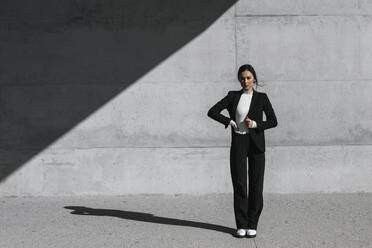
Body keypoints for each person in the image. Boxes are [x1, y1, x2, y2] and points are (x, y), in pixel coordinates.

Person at [207, 64, 278, 238]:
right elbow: (212, 111)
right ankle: (241, 224)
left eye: (248, 77)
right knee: (239, 184)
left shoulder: (262, 98)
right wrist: (229, 122)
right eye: (242, 78)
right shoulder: (233, 96)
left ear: (254, 78)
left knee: (256, 185)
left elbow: (273, 121)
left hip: (256, 145)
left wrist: (255, 124)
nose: (245, 81)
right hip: (239, 143)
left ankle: (252, 224)